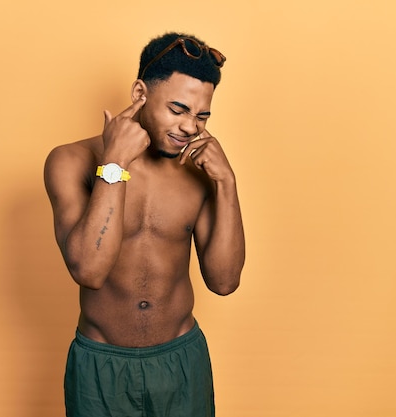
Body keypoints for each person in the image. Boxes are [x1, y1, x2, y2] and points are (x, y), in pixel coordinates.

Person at [44, 32, 245, 417]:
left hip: (181, 361)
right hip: (101, 367)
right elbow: (89, 269)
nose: (190, 127)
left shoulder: (201, 173)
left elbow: (224, 282)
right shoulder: (71, 161)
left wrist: (227, 183)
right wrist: (114, 166)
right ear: (140, 92)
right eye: (178, 109)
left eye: (201, 116)